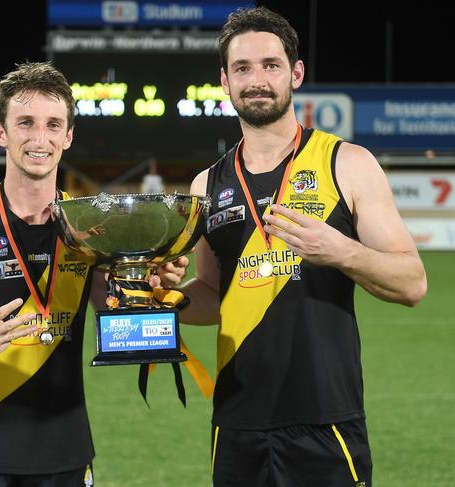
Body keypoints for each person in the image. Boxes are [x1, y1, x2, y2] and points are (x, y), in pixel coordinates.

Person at [0, 61, 186, 487]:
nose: (41, 139)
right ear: (1, 132)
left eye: (54, 124)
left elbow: (119, 316)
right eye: (25, 123)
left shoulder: (91, 229)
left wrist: (149, 286)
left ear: (68, 136)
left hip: (64, 457)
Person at [180, 7, 427, 487]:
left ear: (296, 73)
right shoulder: (205, 186)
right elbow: (211, 292)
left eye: (271, 65)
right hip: (237, 424)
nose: (257, 80)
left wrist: (340, 250)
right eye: (242, 69)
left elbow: (413, 283)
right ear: (225, 82)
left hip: (326, 421)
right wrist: (155, 302)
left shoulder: (347, 164)